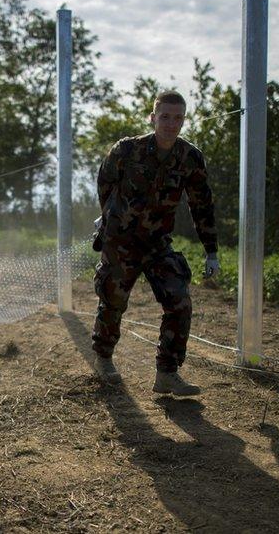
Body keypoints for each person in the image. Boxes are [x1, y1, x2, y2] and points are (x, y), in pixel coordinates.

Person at [91, 90, 220, 395]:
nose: (170, 124)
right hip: (121, 241)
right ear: (153, 118)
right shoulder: (127, 150)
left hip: (157, 242)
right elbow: (105, 182)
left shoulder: (190, 157)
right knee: (113, 300)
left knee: (179, 301)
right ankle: (103, 359)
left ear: (183, 120)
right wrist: (106, 216)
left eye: (177, 118)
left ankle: (167, 373)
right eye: (165, 116)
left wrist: (211, 250)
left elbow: (202, 204)